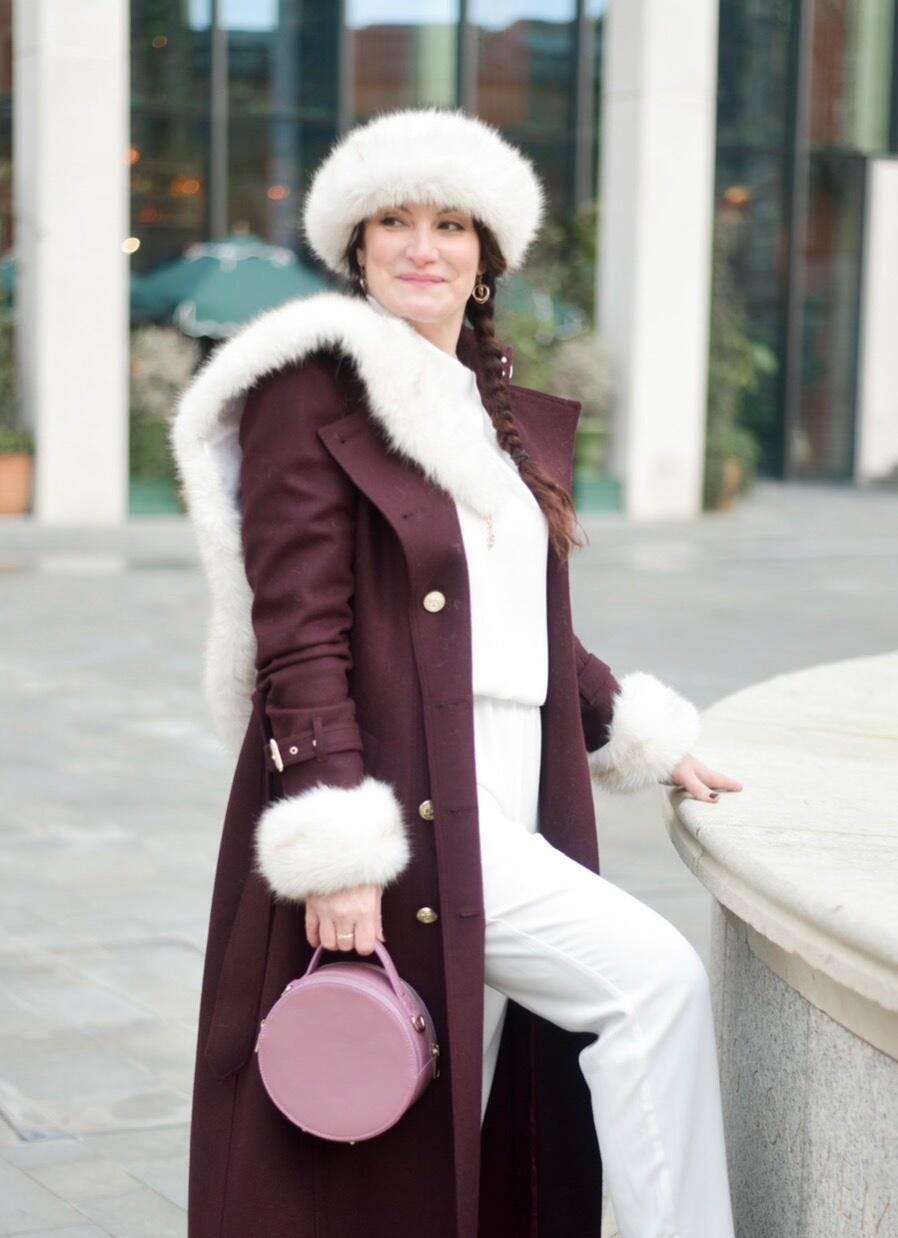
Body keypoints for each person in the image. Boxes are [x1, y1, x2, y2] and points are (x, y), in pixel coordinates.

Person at [171, 106, 742, 1238]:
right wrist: (339, 846)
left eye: (450, 224)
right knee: (653, 984)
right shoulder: (312, 386)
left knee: (462, 1097)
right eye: (394, 221)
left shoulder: (486, 408)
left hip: (515, 777)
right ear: (358, 244)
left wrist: (640, 730)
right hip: (407, 785)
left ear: (487, 255)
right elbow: (299, 632)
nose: (421, 246)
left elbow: (521, 617)